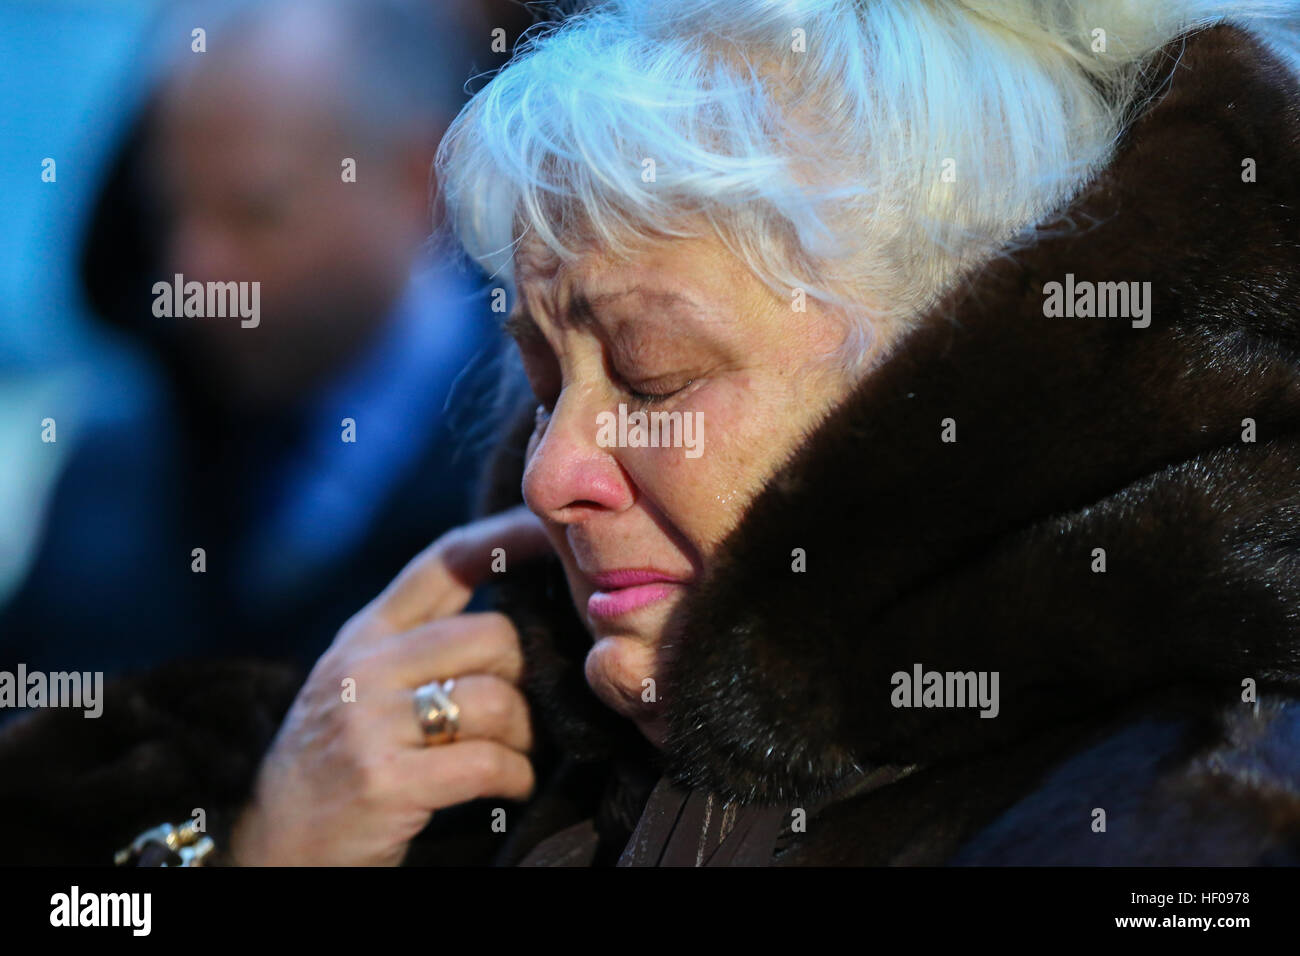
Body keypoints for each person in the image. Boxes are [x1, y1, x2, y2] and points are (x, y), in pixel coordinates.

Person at [3, 0, 1300, 866]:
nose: (553, 470)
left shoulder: (1183, 819)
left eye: (655, 373)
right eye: (540, 372)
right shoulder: (472, 715)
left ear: (948, 366)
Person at [0, 0, 503, 676]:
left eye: (255, 213)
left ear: (419, 182)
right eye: (171, 207)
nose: (195, 266)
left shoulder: (540, 463)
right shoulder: (110, 477)